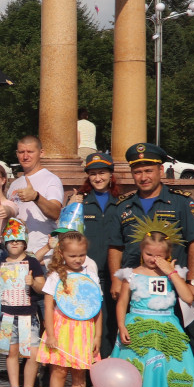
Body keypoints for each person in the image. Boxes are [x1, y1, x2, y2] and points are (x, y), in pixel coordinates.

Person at [107, 142, 194, 387]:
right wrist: (116, 280)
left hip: (174, 286)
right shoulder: (123, 206)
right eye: (138, 171)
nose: (143, 176)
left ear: (160, 170)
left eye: (149, 169)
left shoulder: (180, 201)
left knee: (189, 341)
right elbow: (116, 246)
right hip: (137, 287)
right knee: (136, 344)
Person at [96, 230, 194, 387]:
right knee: (139, 371)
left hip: (167, 327)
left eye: (159, 256)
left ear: (168, 255)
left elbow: (187, 297)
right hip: (138, 327)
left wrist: (171, 272)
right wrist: (121, 326)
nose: (153, 259)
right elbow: (122, 302)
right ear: (142, 250)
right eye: (149, 254)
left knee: (164, 372)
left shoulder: (172, 274)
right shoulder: (131, 274)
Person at [37, 231, 101, 387]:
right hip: (61, 328)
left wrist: (97, 335)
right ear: (62, 254)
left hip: (84, 329)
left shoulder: (90, 275)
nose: (78, 259)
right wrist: (50, 334)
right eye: (73, 256)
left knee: (80, 372)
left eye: (81, 255)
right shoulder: (55, 276)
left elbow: (97, 306)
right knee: (59, 371)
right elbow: (48, 307)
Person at [72, 152, 121, 354]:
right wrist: (71, 207)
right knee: (87, 324)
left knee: (110, 325)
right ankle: (88, 376)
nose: (98, 178)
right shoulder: (80, 202)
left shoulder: (121, 202)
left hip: (115, 274)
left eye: (102, 173)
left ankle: (107, 374)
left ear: (111, 175)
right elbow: (69, 235)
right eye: (93, 174)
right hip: (87, 273)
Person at [0, 219, 47, 387]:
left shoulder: (32, 261)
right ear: (5, 242)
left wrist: (33, 283)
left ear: (24, 242)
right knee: (12, 352)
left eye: (18, 240)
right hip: (7, 316)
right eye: (10, 240)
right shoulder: (0, 263)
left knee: (32, 354)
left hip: (28, 315)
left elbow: (42, 287)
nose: (14, 243)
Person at [8, 136, 64, 255]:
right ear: (17, 154)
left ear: (41, 153)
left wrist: (36, 197)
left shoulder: (51, 180)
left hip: (44, 253)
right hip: (18, 255)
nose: (25, 156)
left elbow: (56, 213)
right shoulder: (14, 184)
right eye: (22, 152)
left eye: (30, 152)